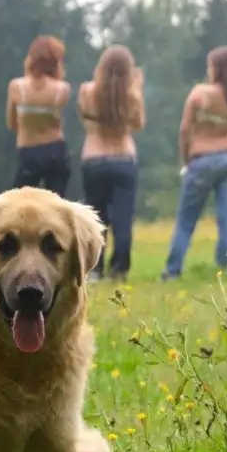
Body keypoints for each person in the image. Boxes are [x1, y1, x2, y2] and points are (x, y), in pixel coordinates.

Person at [161, 46, 227, 280]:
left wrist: (185, 160)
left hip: (201, 160)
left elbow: (184, 130)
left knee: (186, 220)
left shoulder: (199, 95)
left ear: (216, 69)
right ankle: (224, 268)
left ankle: (172, 270)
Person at [78, 45, 145, 282]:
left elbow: (84, 118)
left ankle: (95, 268)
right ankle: (119, 268)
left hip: (94, 158)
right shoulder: (132, 97)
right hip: (123, 159)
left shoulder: (87, 92)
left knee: (96, 217)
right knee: (123, 219)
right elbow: (138, 124)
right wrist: (137, 87)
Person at [6, 36, 71, 197]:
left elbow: (11, 123)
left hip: (28, 151)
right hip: (55, 150)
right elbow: (57, 121)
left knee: (19, 200)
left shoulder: (16, 87)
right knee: (56, 202)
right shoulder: (62, 89)